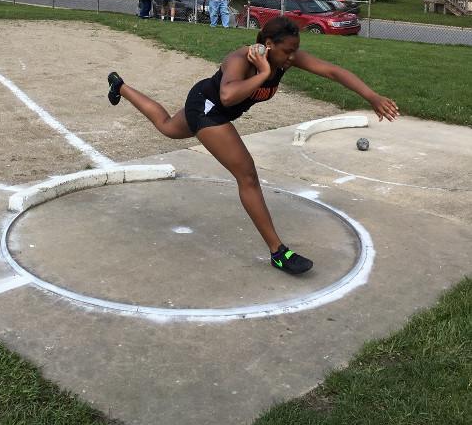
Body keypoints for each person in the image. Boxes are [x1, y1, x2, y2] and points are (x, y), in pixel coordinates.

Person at [107, 16, 398, 274]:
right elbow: (228, 96)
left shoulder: (284, 57)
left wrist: (371, 96)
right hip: (208, 109)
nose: (292, 57)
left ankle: (120, 86)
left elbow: (332, 71)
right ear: (268, 44)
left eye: (295, 50)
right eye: (287, 51)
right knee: (247, 176)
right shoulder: (241, 59)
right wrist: (262, 74)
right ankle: (278, 253)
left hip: (212, 106)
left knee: (168, 126)